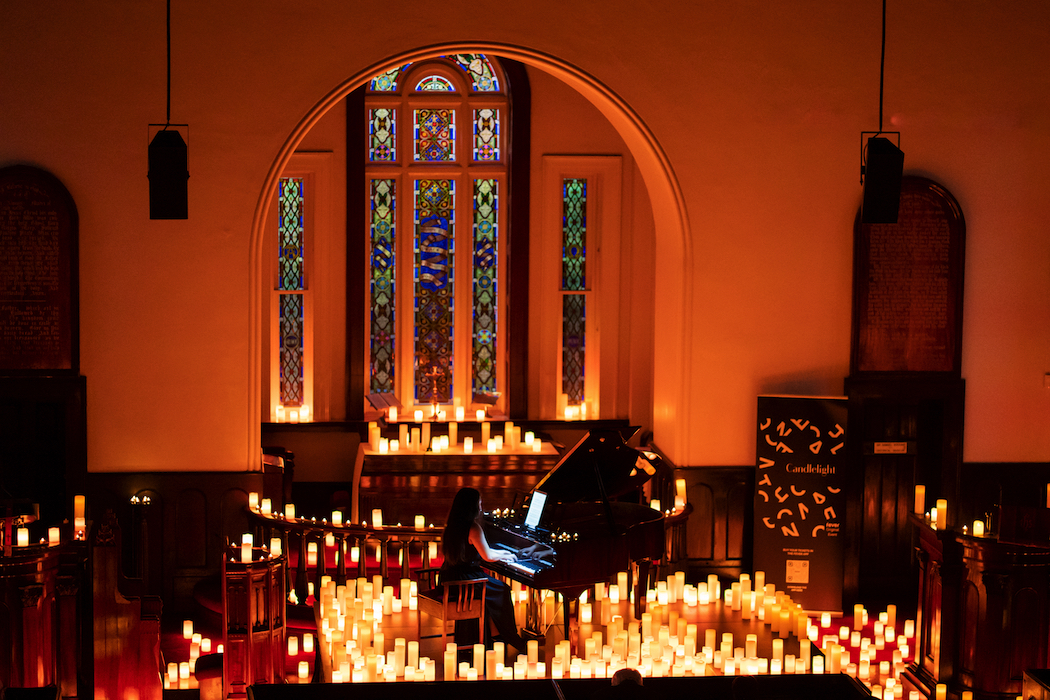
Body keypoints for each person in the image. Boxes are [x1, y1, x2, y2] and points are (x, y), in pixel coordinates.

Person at [440, 487, 527, 650]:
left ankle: (496, 635)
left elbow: (485, 550)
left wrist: (505, 552)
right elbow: (487, 556)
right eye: (479, 503)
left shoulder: (452, 525)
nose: (481, 506)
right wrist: (507, 556)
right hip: (467, 581)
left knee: (493, 594)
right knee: (502, 590)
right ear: (472, 506)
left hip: (450, 576)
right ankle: (508, 637)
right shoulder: (473, 527)